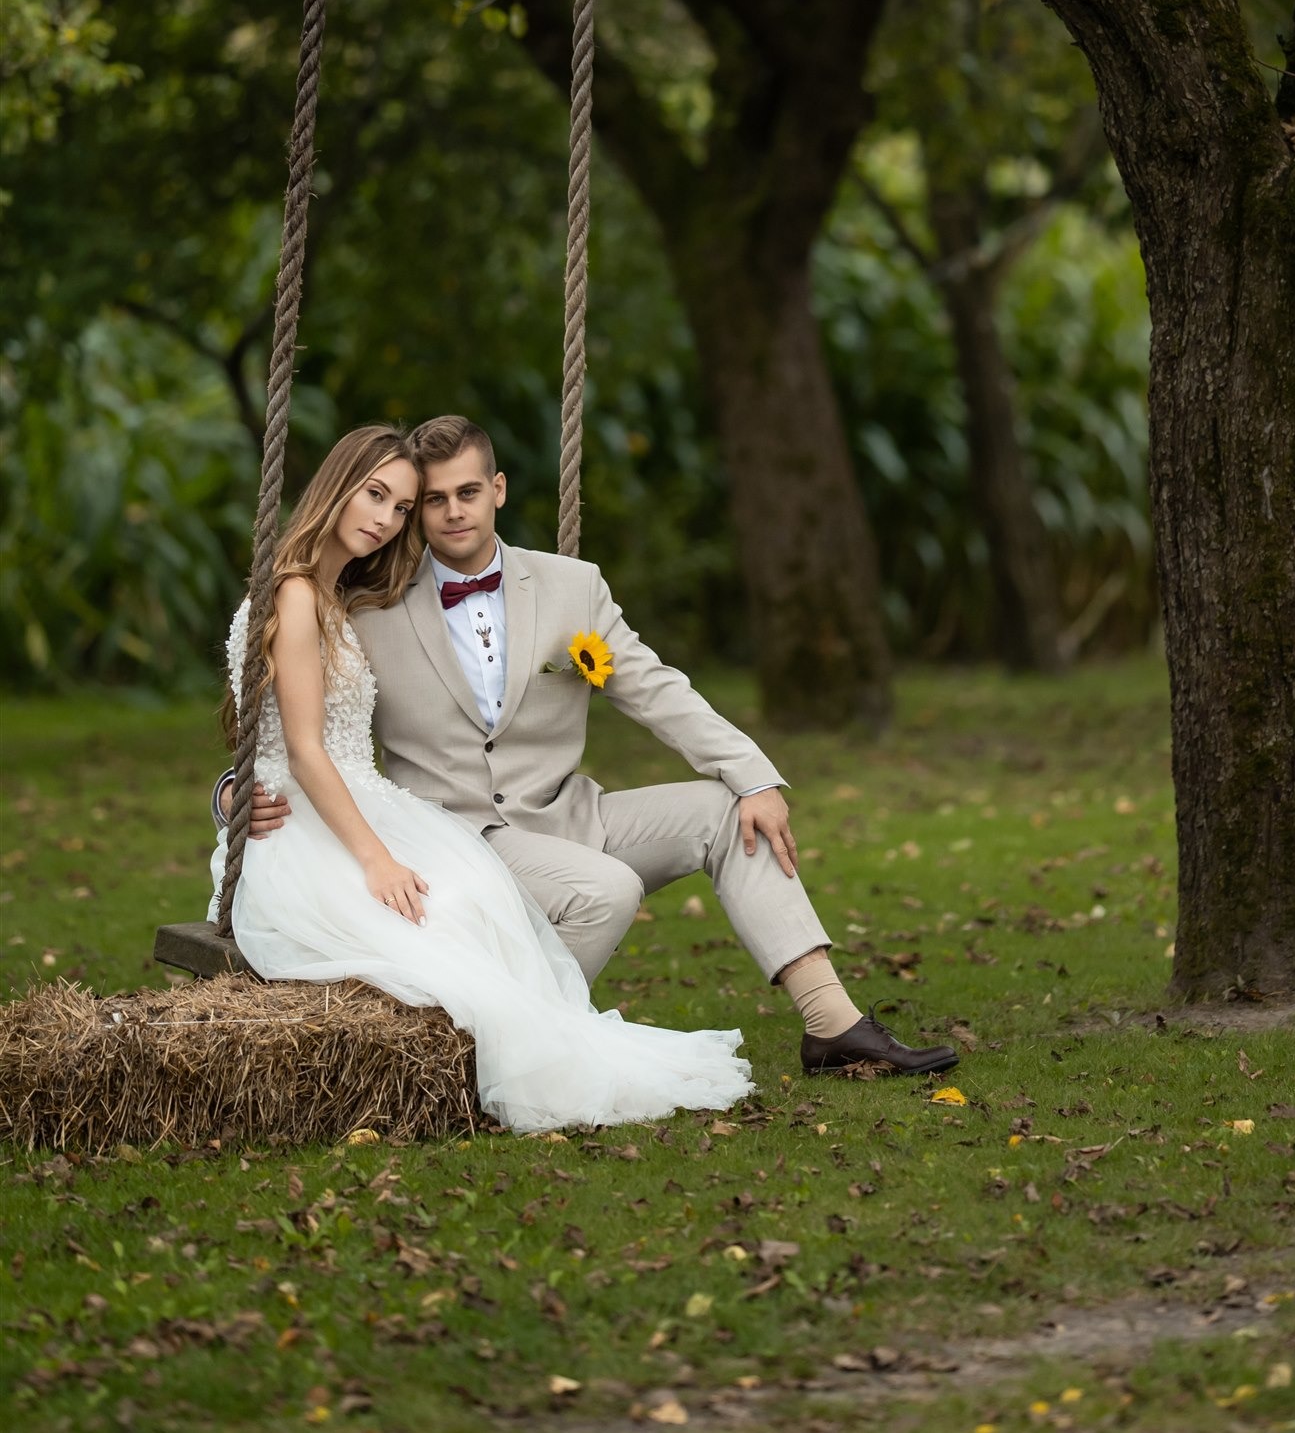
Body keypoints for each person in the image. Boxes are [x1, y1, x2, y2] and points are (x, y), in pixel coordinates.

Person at [220, 414, 958, 1083]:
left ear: (498, 489)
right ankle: (511, 1052)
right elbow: (292, 724)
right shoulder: (369, 601)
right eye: (431, 499)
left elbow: (657, 688)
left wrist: (754, 773)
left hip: (574, 817)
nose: (448, 512)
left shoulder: (573, 588)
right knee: (606, 890)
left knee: (726, 811)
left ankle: (834, 1026)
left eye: (464, 492)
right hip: (462, 838)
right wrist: (233, 792)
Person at [209, 424, 753, 1133]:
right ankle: (490, 1064)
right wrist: (372, 858)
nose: (384, 518)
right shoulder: (296, 594)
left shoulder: (342, 597)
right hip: (311, 826)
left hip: (361, 805)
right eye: (375, 494)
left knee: (476, 900)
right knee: (449, 914)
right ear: (336, 485)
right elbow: (303, 751)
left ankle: (497, 1059)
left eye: (402, 507)